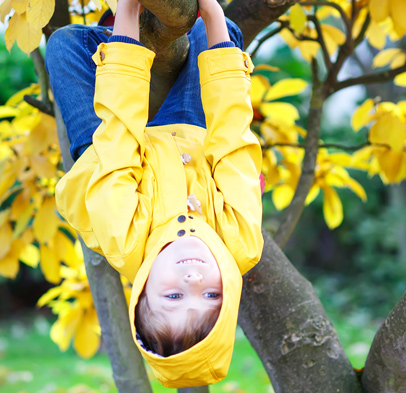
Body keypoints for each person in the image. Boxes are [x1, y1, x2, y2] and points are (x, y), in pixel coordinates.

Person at [45, 0, 263, 388]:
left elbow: (119, 136)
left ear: (143, 292)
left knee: (64, 43)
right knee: (221, 31)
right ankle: (144, 36)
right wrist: (211, 14)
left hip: (112, 148)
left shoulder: (125, 238)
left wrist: (127, 14)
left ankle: (123, 33)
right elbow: (233, 141)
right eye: (211, 294)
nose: (193, 278)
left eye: (175, 297)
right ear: (229, 290)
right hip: (187, 131)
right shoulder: (241, 242)